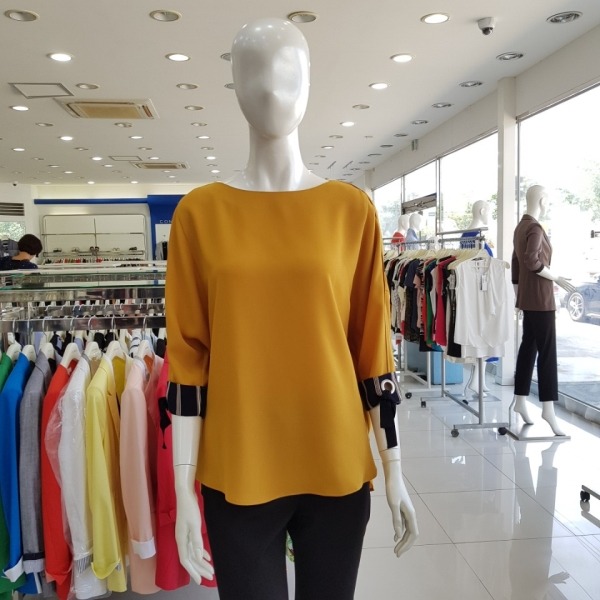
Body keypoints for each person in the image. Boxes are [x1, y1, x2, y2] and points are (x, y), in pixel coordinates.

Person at [165, 17, 418, 600]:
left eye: (288, 73)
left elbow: (372, 351)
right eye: (254, 72)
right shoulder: (199, 215)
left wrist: (395, 469)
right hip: (239, 465)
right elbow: (188, 359)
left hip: (335, 462)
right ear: (233, 84)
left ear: (309, 83)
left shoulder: (351, 210)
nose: (273, 89)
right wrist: (182, 488)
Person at [511, 185, 574, 436]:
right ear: (542, 200)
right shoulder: (535, 228)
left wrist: (519, 297)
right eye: (547, 199)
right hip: (541, 299)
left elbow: (516, 265)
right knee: (547, 353)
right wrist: (556, 277)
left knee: (528, 348)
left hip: (529, 299)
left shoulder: (520, 227)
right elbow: (530, 261)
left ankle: (520, 400)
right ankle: (548, 409)